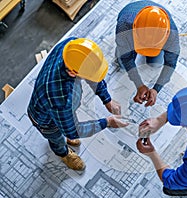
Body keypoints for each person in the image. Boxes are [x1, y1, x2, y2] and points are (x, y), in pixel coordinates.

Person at [27, 37, 129, 171]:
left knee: (65, 127)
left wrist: (107, 99)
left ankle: (64, 141)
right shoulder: (61, 99)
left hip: (54, 107)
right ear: (72, 72)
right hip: (46, 122)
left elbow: (92, 75)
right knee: (57, 138)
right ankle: (63, 153)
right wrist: (107, 122)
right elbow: (74, 131)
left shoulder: (73, 47)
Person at [115, 1, 180, 107]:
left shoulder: (172, 36)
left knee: (155, 63)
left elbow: (170, 64)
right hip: (129, 12)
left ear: (166, 35)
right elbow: (126, 58)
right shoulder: (124, 25)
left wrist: (156, 89)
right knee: (122, 62)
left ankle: (151, 53)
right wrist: (139, 84)